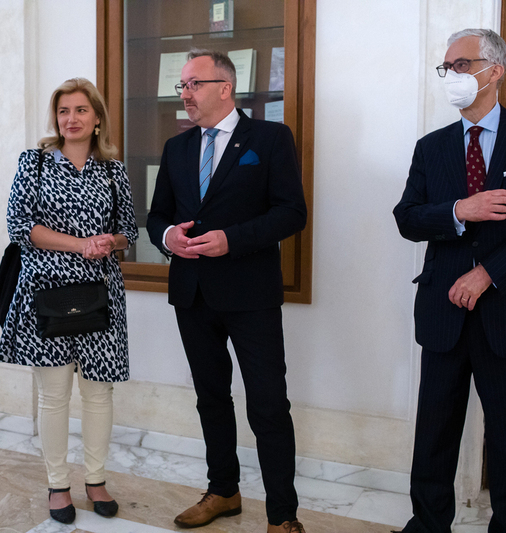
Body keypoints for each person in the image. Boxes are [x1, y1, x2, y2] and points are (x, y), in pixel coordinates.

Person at [393, 29, 506, 533]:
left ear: (495, 71)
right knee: (434, 433)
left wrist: (489, 273)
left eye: (462, 64)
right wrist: (458, 210)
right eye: (447, 67)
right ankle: (427, 525)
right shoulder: (431, 147)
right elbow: (407, 218)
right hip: (443, 310)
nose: (452, 75)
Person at [147, 49, 308, 533]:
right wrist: (168, 237)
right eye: (182, 85)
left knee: (268, 404)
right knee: (210, 398)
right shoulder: (177, 147)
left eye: (193, 84)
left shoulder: (271, 139)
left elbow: (291, 212)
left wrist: (232, 240)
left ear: (225, 87)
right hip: (192, 293)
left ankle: (283, 516)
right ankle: (224, 491)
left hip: (251, 294)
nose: (185, 94)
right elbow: (158, 216)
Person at [0, 77, 137, 524]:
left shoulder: (113, 170)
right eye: (63, 111)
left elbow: (129, 231)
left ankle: (95, 480)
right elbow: (19, 226)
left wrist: (110, 241)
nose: (70, 119)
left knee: (98, 392)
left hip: (101, 294)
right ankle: (58, 485)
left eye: (80, 110)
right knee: (54, 395)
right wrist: (81, 245)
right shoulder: (35, 162)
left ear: (97, 119)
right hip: (46, 292)